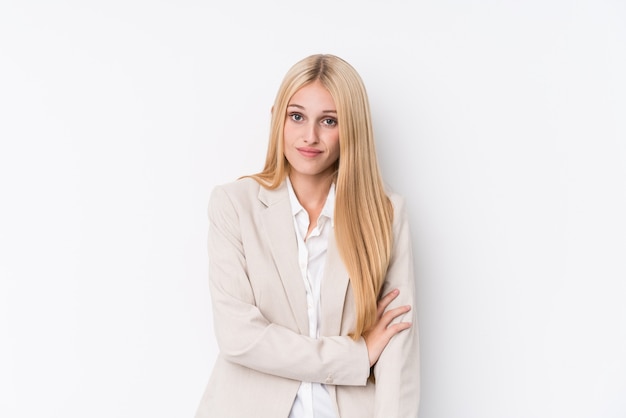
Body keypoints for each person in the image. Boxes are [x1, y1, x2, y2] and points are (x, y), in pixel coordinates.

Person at [195, 54, 419, 418]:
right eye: (296, 116)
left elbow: (398, 351)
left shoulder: (385, 214)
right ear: (276, 118)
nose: (310, 136)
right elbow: (238, 337)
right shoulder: (234, 206)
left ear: (352, 128)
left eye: (328, 121)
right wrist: (356, 355)